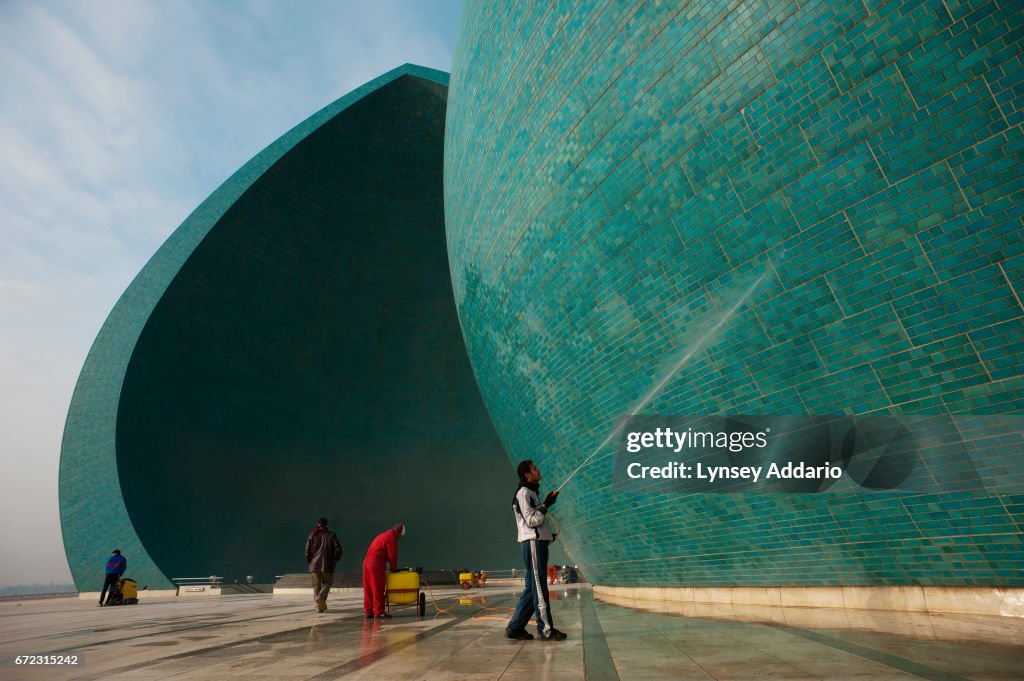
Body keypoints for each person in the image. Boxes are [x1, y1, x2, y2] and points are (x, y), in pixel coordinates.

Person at [506, 461, 568, 641]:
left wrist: (548, 536)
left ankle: (515, 627)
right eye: (534, 469)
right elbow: (531, 521)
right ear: (527, 474)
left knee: (531, 589)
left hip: (538, 544)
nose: (538, 470)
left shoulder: (532, 493)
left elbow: (536, 521)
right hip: (532, 544)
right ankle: (546, 630)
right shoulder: (524, 493)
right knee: (539, 587)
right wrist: (547, 504)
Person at [363, 523, 405, 618]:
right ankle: (379, 612)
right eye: (401, 536)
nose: (400, 538)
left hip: (366, 562)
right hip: (375, 563)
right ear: (398, 533)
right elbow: (392, 555)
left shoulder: (384, 535)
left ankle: (368, 612)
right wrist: (394, 568)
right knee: (378, 587)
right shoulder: (392, 538)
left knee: (368, 588)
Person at [305, 517, 342, 613]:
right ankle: (320, 598)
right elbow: (338, 549)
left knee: (316, 584)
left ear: (318, 524)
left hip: (315, 565)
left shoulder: (312, 535)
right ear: (327, 525)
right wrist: (335, 559)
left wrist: (310, 562)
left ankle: (318, 607)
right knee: (327, 583)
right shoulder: (331, 535)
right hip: (327, 564)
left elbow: (307, 551)